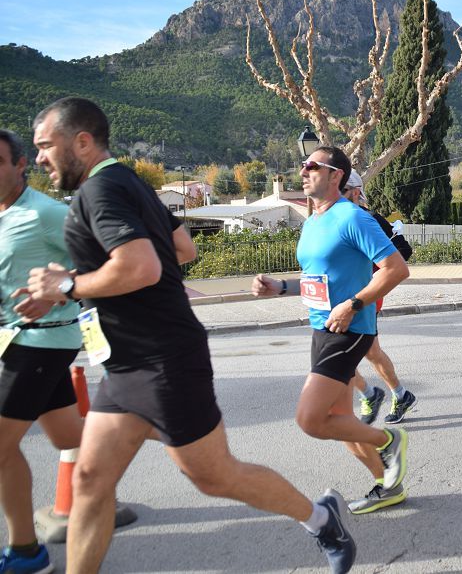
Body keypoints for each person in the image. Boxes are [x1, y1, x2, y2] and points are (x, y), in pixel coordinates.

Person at [27, 98, 356, 574]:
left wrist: (68, 285)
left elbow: (140, 265)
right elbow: (181, 248)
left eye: (45, 146)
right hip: (124, 365)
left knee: (215, 475)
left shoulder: (101, 192)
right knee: (90, 482)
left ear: (81, 141)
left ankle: (322, 519)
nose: (40, 158)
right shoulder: (129, 184)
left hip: (163, 363)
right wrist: (101, 285)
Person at [251, 146, 410, 517]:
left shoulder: (353, 218)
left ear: (336, 175)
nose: (303, 171)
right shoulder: (312, 222)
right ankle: (388, 485)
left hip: (349, 329)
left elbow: (396, 269)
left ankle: (390, 440)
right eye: (303, 166)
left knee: (310, 419)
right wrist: (281, 287)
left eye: (311, 166)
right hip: (322, 329)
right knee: (341, 425)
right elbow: (315, 281)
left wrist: (353, 304)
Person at [0, 129, 84, 574]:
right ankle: (135, 431)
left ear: (20, 166)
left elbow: (101, 260)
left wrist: (55, 293)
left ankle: (26, 551)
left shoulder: (46, 212)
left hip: (43, 339)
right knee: (69, 437)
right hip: (14, 340)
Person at [340, 171, 417, 429]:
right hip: (337, 298)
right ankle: (394, 394)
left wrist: (374, 274)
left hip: (364, 296)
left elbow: (404, 251)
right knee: (367, 352)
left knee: (347, 355)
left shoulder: (370, 219)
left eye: (341, 190)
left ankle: (373, 395)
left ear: (355, 191)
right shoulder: (329, 220)